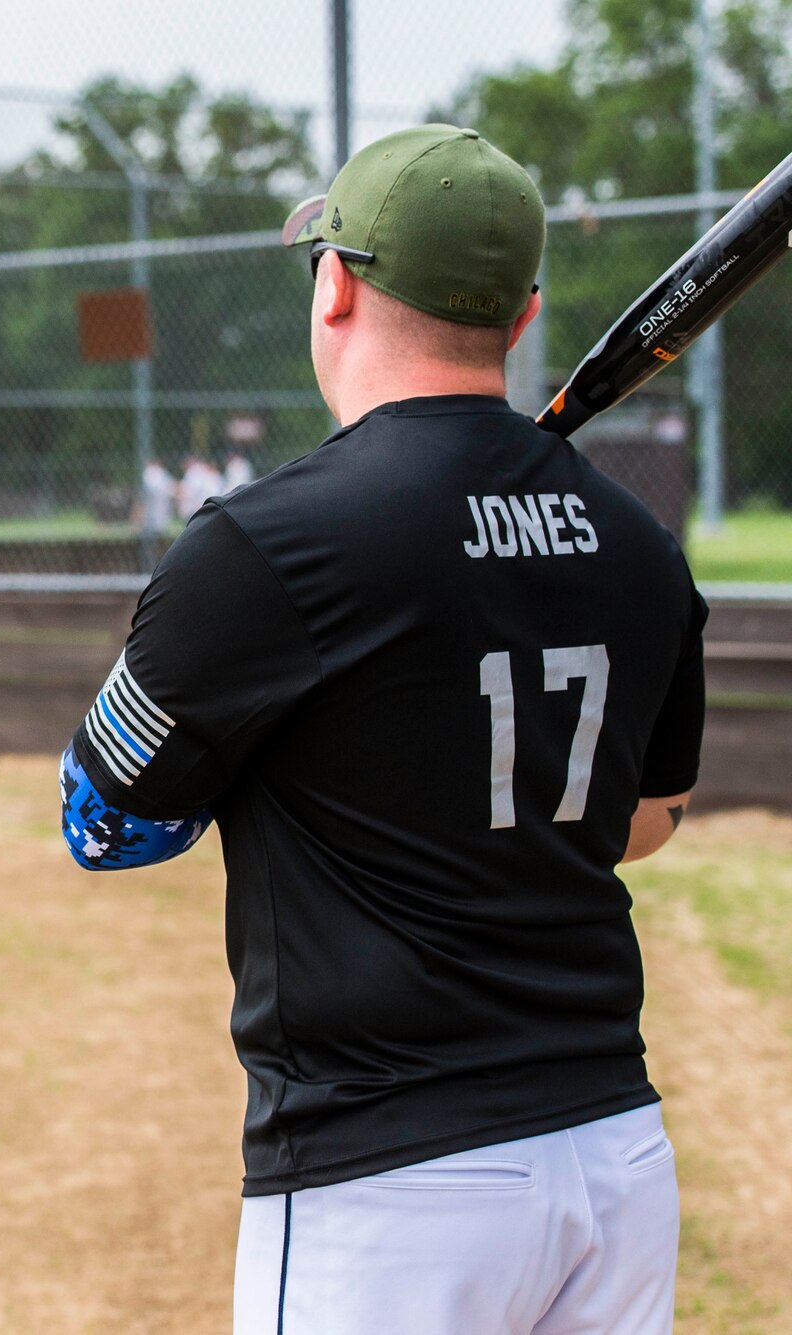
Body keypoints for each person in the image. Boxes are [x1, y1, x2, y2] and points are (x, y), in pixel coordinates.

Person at [58, 125, 705, 1335]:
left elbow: (105, 829)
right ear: (518, 318)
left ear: (336, 285)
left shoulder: (265, 547)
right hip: (611, 1157)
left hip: (388, 1177)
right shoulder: (637, 545)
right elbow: (646, 818)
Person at [176, 453, 224, 521]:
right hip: (199, 506)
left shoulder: (196, 472)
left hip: (203, 506)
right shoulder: (195, 472)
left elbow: (190, 491)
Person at [139, 458, 177, 532]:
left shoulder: (162, 472)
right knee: (153, 521)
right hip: (153, 504)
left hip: (163, 503)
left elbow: (171, 485)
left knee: (163, 520)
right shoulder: (149, 473)